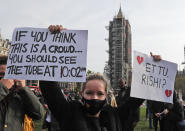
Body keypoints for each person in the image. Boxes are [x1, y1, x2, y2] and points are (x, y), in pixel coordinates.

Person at [39, 25, 162, 131]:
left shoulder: (115, 116)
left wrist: (152, 67)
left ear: (106, 95)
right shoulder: (69, 113)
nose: (94, 97)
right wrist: (53, 41)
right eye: (89, 93)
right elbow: (50, 88)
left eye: (99, 93)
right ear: (82, 93)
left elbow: (138, 96)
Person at [0, 55, 43, 131]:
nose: (6, 79)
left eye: (8, 75)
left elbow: (38, 114)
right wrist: (2, 87)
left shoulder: (19, 95)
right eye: (1, 74)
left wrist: (24, 89)